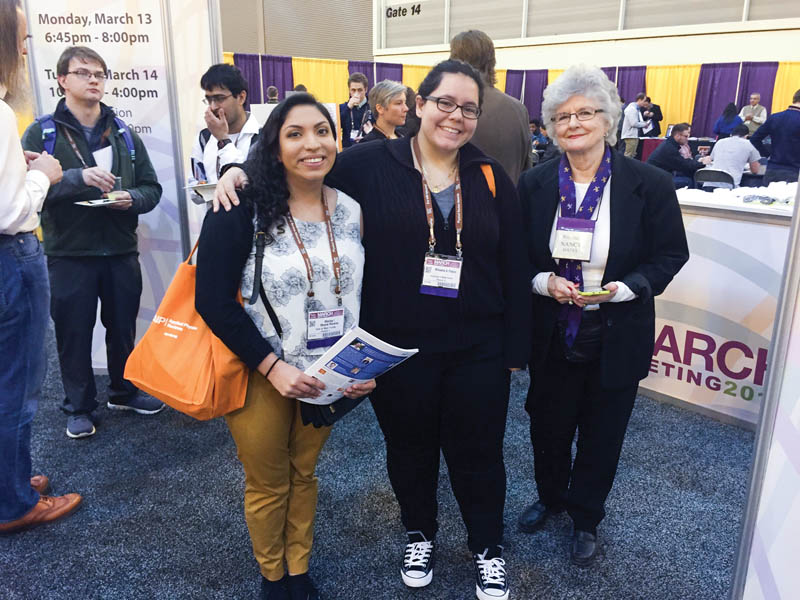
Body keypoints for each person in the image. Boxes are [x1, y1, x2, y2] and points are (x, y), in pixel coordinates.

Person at [214, 60, 531, 600]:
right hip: (397, 346)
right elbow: (296, 164)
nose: (456, 117)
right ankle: (419, 532)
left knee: (478, 451)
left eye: (469, 108)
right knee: (409, 448)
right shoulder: (366, 164)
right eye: (445, 103)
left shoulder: (488, 175)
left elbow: (515, 264)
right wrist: (238, 171)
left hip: (479, 344)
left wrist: (514, 349)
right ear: (420, 105)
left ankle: (486, 545)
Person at [196, 93, 375, 600]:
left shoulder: (352, 210)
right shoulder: (241, 207)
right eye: (295, 134)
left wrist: (362, 365)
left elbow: (360, 293)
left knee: (305, 472)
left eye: (322, 130)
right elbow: (212, 301)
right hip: (261, 371)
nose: (312, 144)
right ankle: (272, 576)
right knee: (269, 481)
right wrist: (272, 367)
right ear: (274, 147)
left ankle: (299, 567)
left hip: (328, 373)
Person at [516, 64, 689, 568]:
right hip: (552, 330)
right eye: (561, 116)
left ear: (608, 119)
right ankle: (550, 498)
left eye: (586, 112)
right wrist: (541, 281)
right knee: (546, 425)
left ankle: (586, 515)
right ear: (549, 127)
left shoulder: (650, 183)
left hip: (617, 330)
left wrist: (627, 289)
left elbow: (670, 256)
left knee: (602, 430)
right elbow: (518, 257)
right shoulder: (534, 184)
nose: (574, 123)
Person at [21, 46, 163, 439]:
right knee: (73, 333)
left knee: (122, 329)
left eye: (99, 73)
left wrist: (130, 198)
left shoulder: (123, 134)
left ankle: (123, 390)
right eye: (83, 72)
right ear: (63, 80)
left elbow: (151, 188)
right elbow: (24, 192)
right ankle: (79, 407)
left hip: (120, 250)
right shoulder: (42, 133)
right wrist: (74, 179)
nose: (94, 79)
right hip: (69, 253)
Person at [0, 0, 82, 534]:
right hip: (11, 257)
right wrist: (45, 175)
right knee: (17, 386)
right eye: (22, 39)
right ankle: (12, 503)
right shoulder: (6, 114)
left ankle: (10, 477)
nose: (26, 50)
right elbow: (10, 211)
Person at [450, 29, 531, 182]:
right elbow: (526, 168)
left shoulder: (447, 108)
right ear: (491, 61)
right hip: (509, 201)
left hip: (461, 203)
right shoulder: (519, 109)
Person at [190, 63, 260, 183]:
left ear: (241, 97)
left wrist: (223, 140)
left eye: (219, 98)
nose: (213, 106)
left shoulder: (262, 138)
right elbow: (194, 188)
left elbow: (246, 183)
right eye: (209, 99)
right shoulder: (204, 138)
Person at [750, 89, 800, 184]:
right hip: (795, 172)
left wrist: (768, 153)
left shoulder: (774, 117)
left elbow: (754, 139)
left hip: (772, 169)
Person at [646, 123, 711, 188]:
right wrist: (702, 163)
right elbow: (684, 165)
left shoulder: (669, 144)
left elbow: (682, 162)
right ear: (677, 136)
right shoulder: (669, 149)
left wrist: (698, 162)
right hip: (656, 180)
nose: (687, 138)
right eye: (685, 136)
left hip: (657, 176)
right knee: (688, 181)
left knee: (689, 176)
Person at [704, 124, 761, 188]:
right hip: (729, 186)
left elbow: (712, 159)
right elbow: (755, 170)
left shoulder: (720, 142)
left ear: (731, 134)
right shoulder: (749, 144)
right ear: (746, 136)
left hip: (709, 183)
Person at [339, 72, 369, 148]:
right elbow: (337, 127)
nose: (356, 93)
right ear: (349, 90)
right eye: (353, 90)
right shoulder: (343, 107)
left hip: (367, 147)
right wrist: (348, 108)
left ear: (365, 89)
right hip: (347, 148)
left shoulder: (373, 107)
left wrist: (367, 138)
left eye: (360, 90)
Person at [620, 93, 650, 157]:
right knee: (629, 155)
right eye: (644, 101)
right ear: (639, 100)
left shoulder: (636, 109)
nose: (645, 103)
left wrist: (644, 123)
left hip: (633, 135)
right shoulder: (632, 109)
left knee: (632, 155)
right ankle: (625, 167)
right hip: (630, 136)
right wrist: (644, 124)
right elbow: (633, 123)